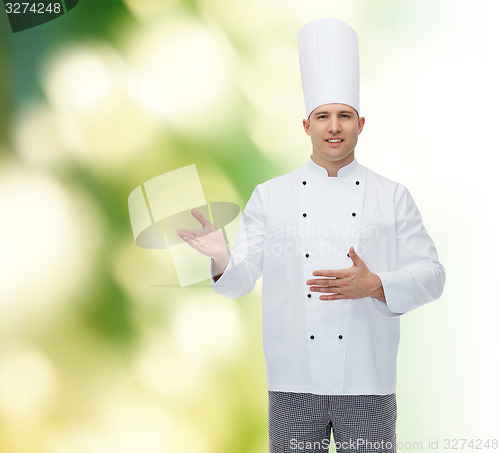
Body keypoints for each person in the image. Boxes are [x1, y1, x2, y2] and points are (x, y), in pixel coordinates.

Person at [177, 18, 445, 453]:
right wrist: (221, 257)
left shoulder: (392, 196)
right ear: (306, 125)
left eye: (344, 116)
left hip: (368, 382)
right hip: (292, 383)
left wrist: (376, 284)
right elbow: (240, 280)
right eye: (323, 116)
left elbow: (433, 275)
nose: (334, 126)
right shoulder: (270, 196)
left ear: (361, 123)